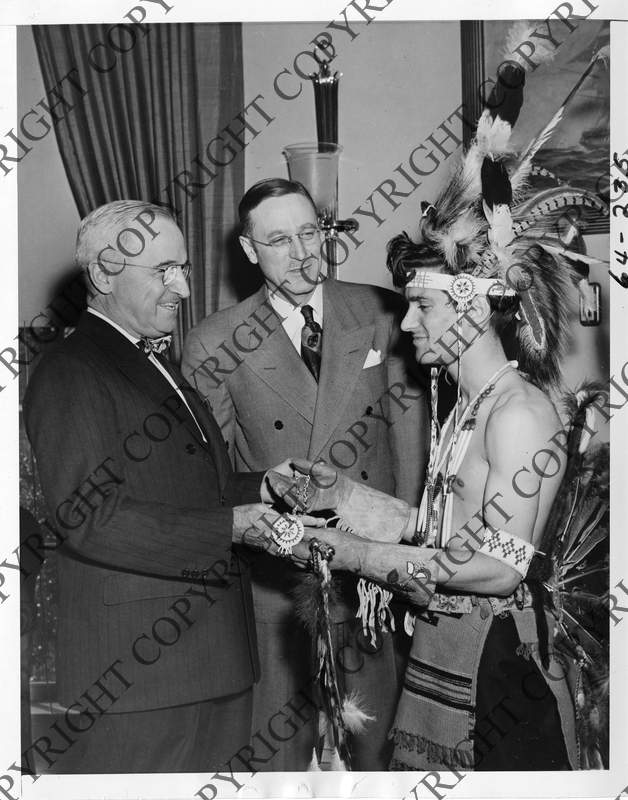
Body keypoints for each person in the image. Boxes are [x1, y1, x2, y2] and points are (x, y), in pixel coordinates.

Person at [269, 41, 610, 771]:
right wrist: (349, 500)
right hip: (452, 650)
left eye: (422, 307)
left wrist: (356, 554)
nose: (410, 324)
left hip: (502, 672)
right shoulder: (470, 404)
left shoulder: (517, 412)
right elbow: (445, 528)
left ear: (477, 307)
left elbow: (498, 567)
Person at [22, 200, 304, 774]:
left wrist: (264, 489)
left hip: (209, 664)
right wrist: (234, 526)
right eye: (162, 271)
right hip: (139, 681)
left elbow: (190, 488)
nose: (180, 287)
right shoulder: (71, 370)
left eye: (182, 268)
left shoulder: (153, 360)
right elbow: (90, 517)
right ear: (103, 274)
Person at [181, 178, 429, 770]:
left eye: (309, 232)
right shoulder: (215, 340)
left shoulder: (384, 313)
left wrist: (415, 549)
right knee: (276, 757)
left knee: (382, 750)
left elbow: (411, 443)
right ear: (249, 251)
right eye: (278, 240)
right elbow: (215, 479)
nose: (300, 253)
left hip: (374, 578)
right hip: (279, 579)